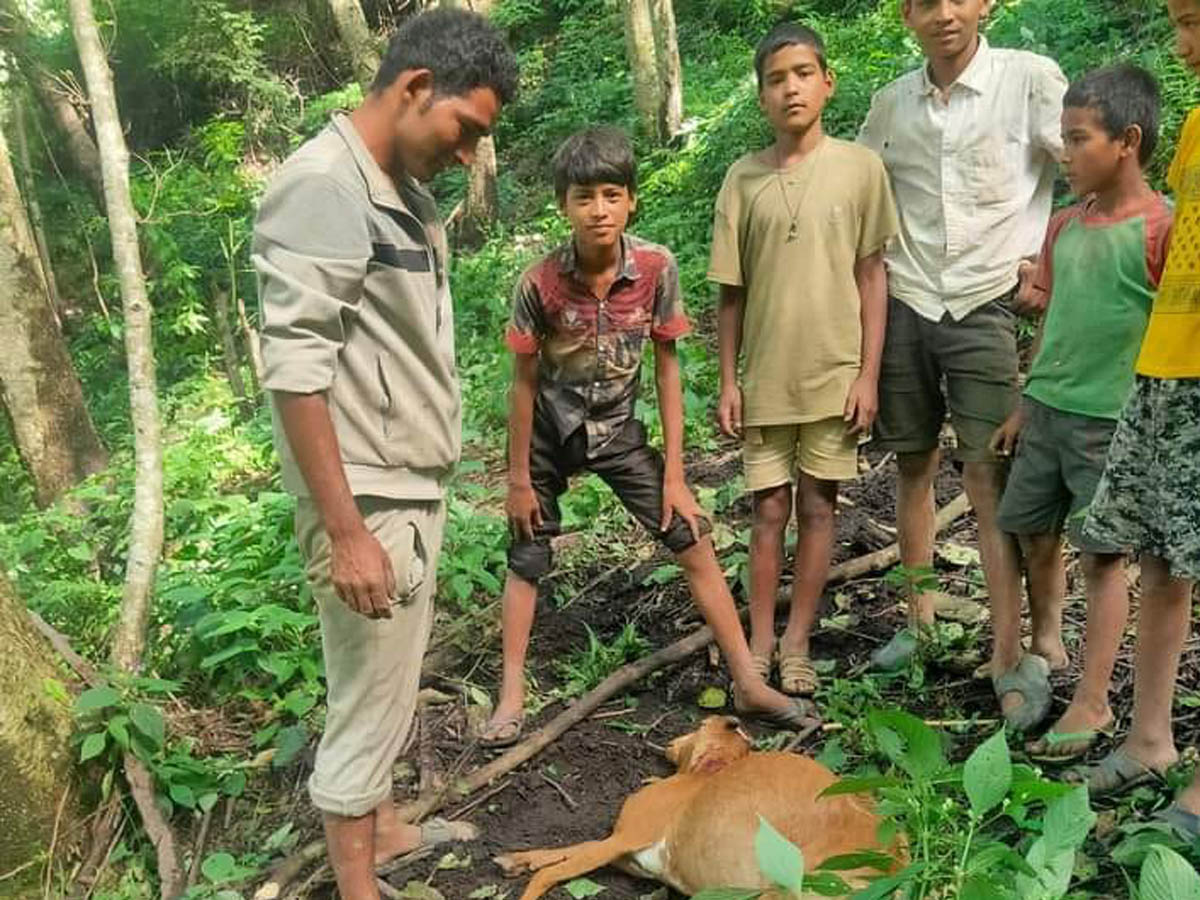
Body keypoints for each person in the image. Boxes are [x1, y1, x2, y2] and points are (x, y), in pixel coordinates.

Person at [253, 10, 518, 899]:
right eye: (466, 130)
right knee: (366, 695)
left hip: (403, 481)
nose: (468, 153)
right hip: (367, 495)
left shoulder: (393, 187)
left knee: (391, 677)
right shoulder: (324, 186)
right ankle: (358, 886)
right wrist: (345, 531)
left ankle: (387, 822)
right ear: (413, 88)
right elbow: (295, 371)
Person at [480, 127, 811, 748]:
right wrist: (519, 478)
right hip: (550, 432)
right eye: (584, 197)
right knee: (526, 556)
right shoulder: (539, 284)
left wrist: (677, 476)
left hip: (617, 432)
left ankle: (747, 679)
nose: (598, 209)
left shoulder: (655, 269)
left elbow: (667, 367)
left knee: (691, 538)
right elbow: (522, 384)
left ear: (631, 199)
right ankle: (512, 694)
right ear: (564, 206)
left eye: (611, 194)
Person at [857, 0, 1067, 730]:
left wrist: (1049, 260)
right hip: (910, 297)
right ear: (905, 15)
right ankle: (918, 619)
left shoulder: (1028, 80)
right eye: (924, 2)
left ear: (985, 4)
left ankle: (1011, 650)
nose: (943, 13)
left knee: (988, 474)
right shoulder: (891, 105)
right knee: (912, 463)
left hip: (989, 298)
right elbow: (864, 197)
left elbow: (1089, 165)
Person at [710, 22, 898, 697]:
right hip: (766, 378)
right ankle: (757, 644)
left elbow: (873, 276)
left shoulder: (859, 168)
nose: (789, 88)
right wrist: (730, 381)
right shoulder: (743, 179)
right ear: (761, 96)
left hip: (834, 372)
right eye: (774, 79)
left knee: (820, 505)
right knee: (767, 510)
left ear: (826, 82)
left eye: (801, 73)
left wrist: (868, 373)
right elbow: (729, 294)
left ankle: (797, 644)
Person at [990, 65, 1169, 760]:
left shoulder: (1162, 231)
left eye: (1077, 139)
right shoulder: (1064, 225)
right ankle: (1049, 646)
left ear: (1126, 141)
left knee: (1101, 559)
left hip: (1110, 424)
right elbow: (1052, 321)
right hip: (1048, 413)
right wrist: (1023, 400)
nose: (1064, 153)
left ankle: (1093, 701)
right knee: (1033, 534)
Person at [1068, 0, 1200, 824]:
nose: (1189, 44)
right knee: (1159, 555)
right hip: (1171, 366)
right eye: (1183, 24)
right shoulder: (1194, 128)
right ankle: (1151, 736)